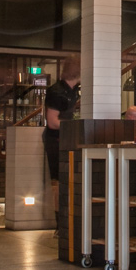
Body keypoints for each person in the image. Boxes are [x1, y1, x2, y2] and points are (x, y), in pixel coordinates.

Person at [42, 57, 80, 224]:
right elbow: (52, 122)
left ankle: (65, 219)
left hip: (65, 138)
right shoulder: (57, 92)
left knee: (65, 179)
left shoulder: (73, 90)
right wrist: (74, 125)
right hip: (55, 140)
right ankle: (59, 222)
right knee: (58, 180)